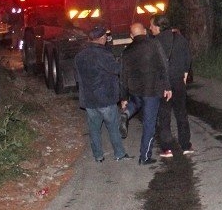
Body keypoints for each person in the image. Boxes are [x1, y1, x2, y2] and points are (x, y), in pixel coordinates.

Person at [73, 24, 130, 163]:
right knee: (113, 128)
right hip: (105, 98)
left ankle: (98, 156)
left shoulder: (79, 56)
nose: (106, 39)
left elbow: (77, 78)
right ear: (101, 38)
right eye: (105, 37)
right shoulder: (104, 54)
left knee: (94, 129)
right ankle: (119, 154)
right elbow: (117, 70)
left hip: (89, 100)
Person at [119, 22, 172, 165]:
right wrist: (167, 86)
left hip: (135, 89)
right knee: (149, 124)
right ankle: (145, 156)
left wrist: (123, 97)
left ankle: (127, 113)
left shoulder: (127, 51)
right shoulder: (154, 44)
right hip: (152, 89)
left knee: (135, 103)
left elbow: (123, 76)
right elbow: (164, 64)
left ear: (131, 36)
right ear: (144, 31)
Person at [149, 14, 193, 157]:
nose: (150, 28)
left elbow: (153, 66)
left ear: (158, 26)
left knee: (164, 116)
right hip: (178, 81)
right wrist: (184, 75)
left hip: (163, 83)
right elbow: (187, 59)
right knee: (181, 113)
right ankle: (186, 145)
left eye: (151, 25)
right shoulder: (180, 39)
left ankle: (167, 149)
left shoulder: (155, 42)